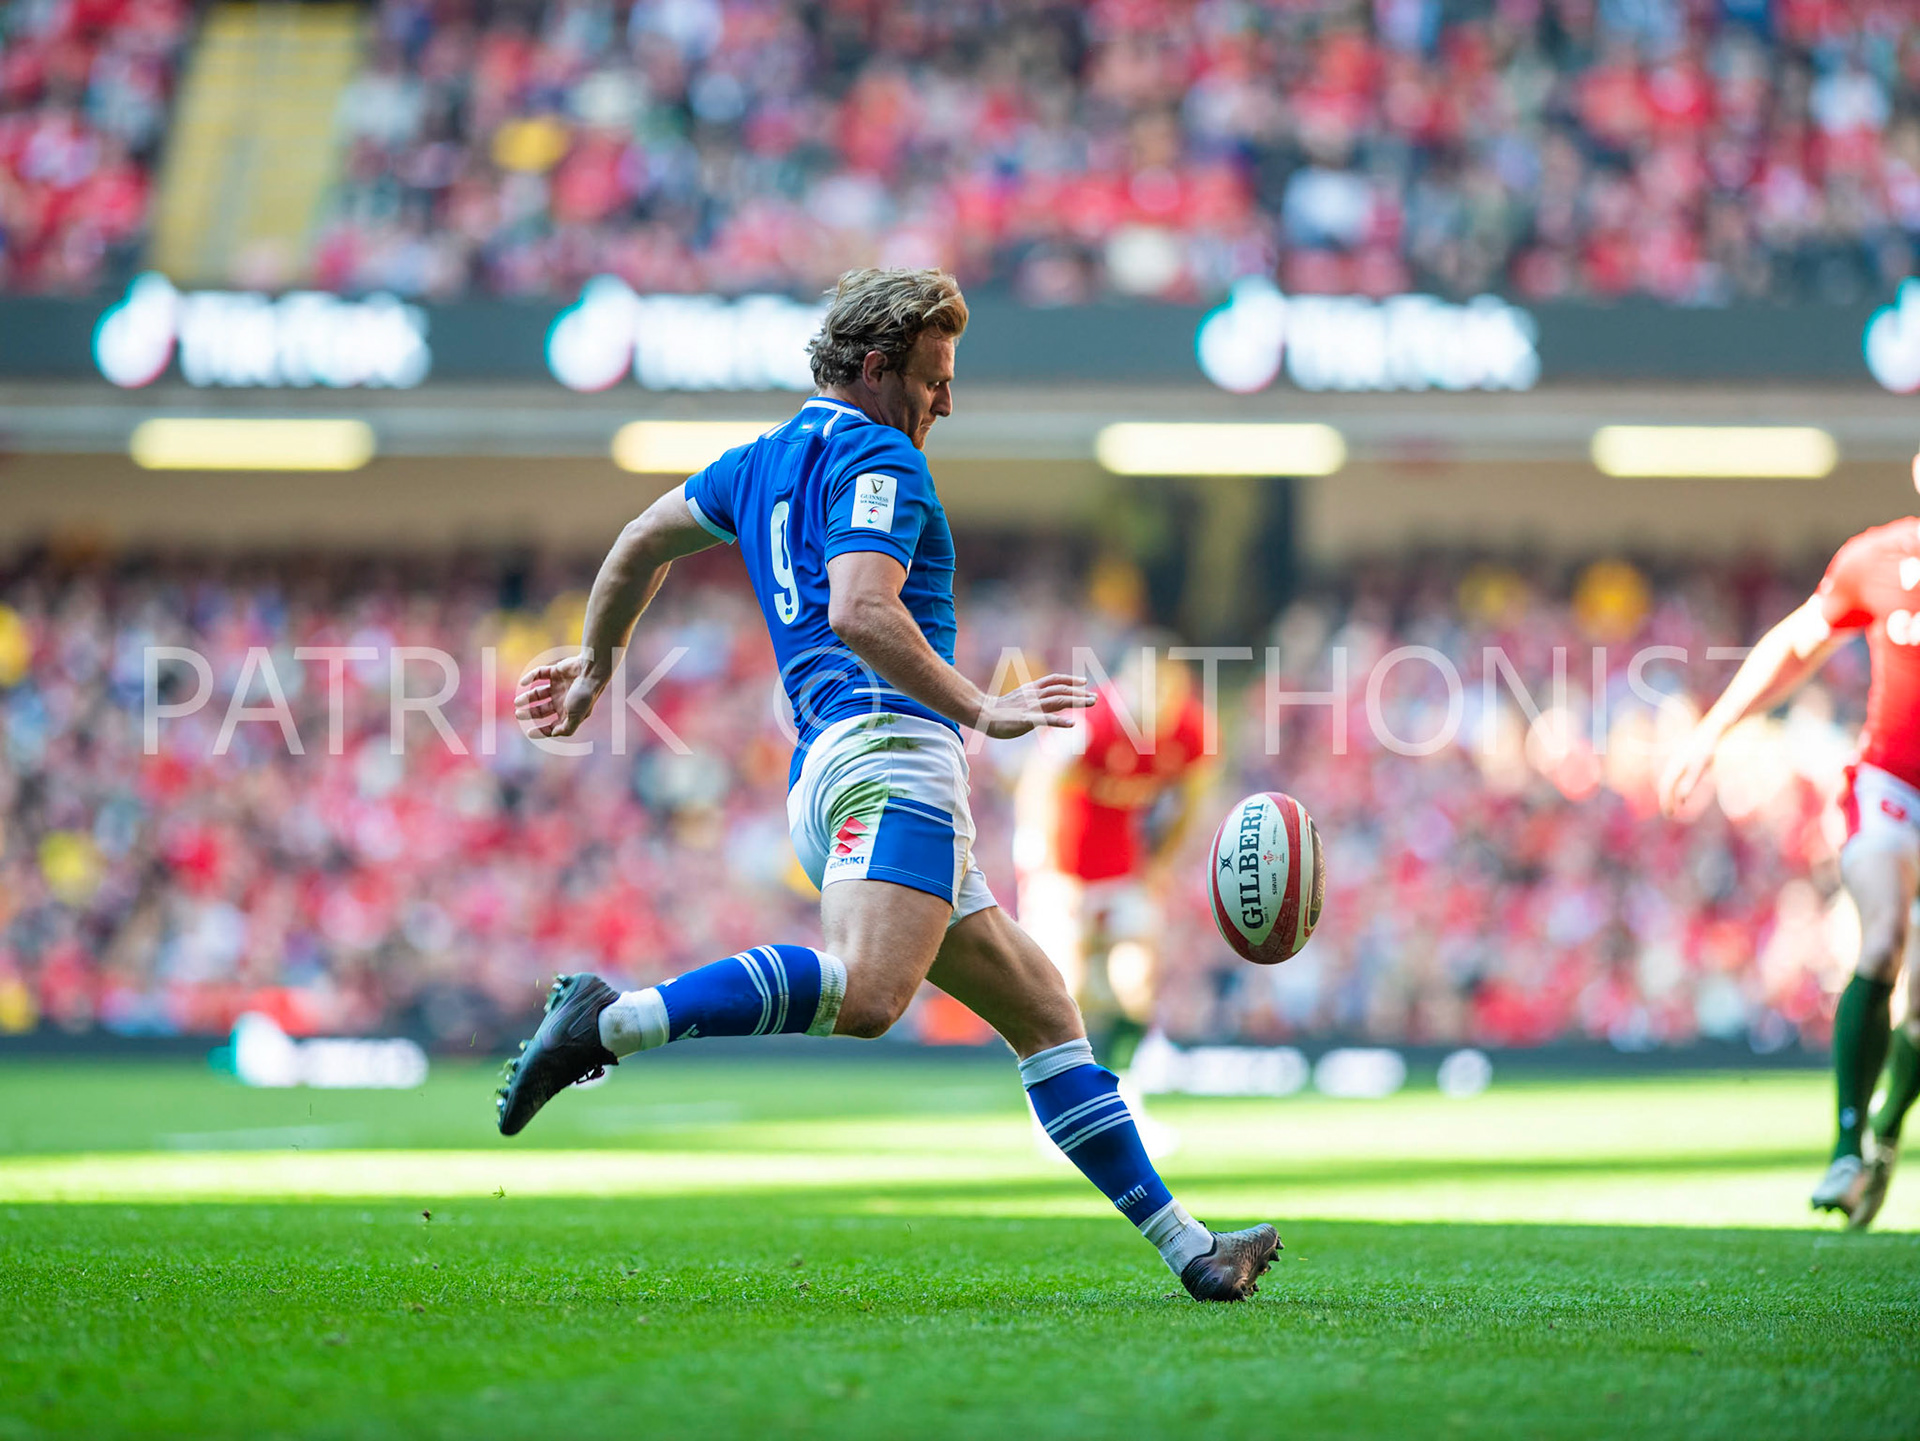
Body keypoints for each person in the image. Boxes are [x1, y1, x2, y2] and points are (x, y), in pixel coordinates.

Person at [496, 267, 1280, 1300]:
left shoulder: (760, 461)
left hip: (840, 761)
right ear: (876, 368)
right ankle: (608, 1021)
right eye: (934, 377)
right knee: (869, 995)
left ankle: (1191, 1249)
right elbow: (864, 610)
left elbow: (644, 542)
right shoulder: (879, 454)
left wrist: (597, 662)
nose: (944, 400)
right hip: (890, 753)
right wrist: (981, 706)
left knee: (1048, 1011)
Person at [1660, 500, 1920, 1230]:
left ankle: (1884, 1128)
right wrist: (1714, 728)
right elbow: (1798, 643)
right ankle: (1845, 1144)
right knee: (1883, 935)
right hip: (1892, 786)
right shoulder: (1879, 558)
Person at [1014, 648, 1213, 1073]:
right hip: (1064, 867)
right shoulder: (1091, 722)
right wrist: (1045, 867)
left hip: (1124, 869)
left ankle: (1128, 1081)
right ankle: (1063, 1083)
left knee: (1135, 981)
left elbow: (1191, 802)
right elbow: (1039, 785)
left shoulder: (1189, 730)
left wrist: (1160, 863)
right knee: (1067, 983)